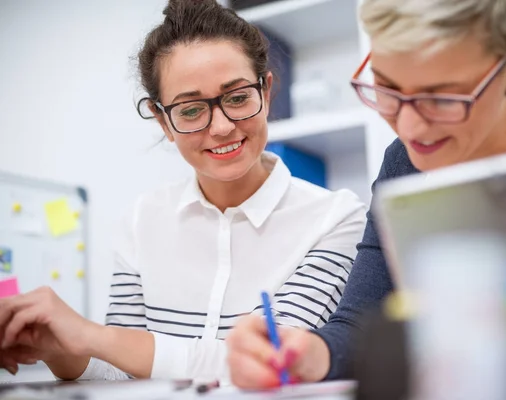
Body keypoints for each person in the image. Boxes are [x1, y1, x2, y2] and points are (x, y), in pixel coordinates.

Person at [225, 0, 506, 389]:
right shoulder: (404, 162)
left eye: (441, 97)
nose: (410, 127)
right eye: (387, 88)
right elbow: (359, 322)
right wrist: (307, 352)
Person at [0, 0, 366, 383]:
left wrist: (92, 336)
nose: (222, 126)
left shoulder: (335, 219)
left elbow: (271, 364)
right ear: (163, 121)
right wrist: (61, 351)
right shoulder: (143, 219)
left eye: (238, 97)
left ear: (267, 92)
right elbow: (120, 371)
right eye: (191, 110)